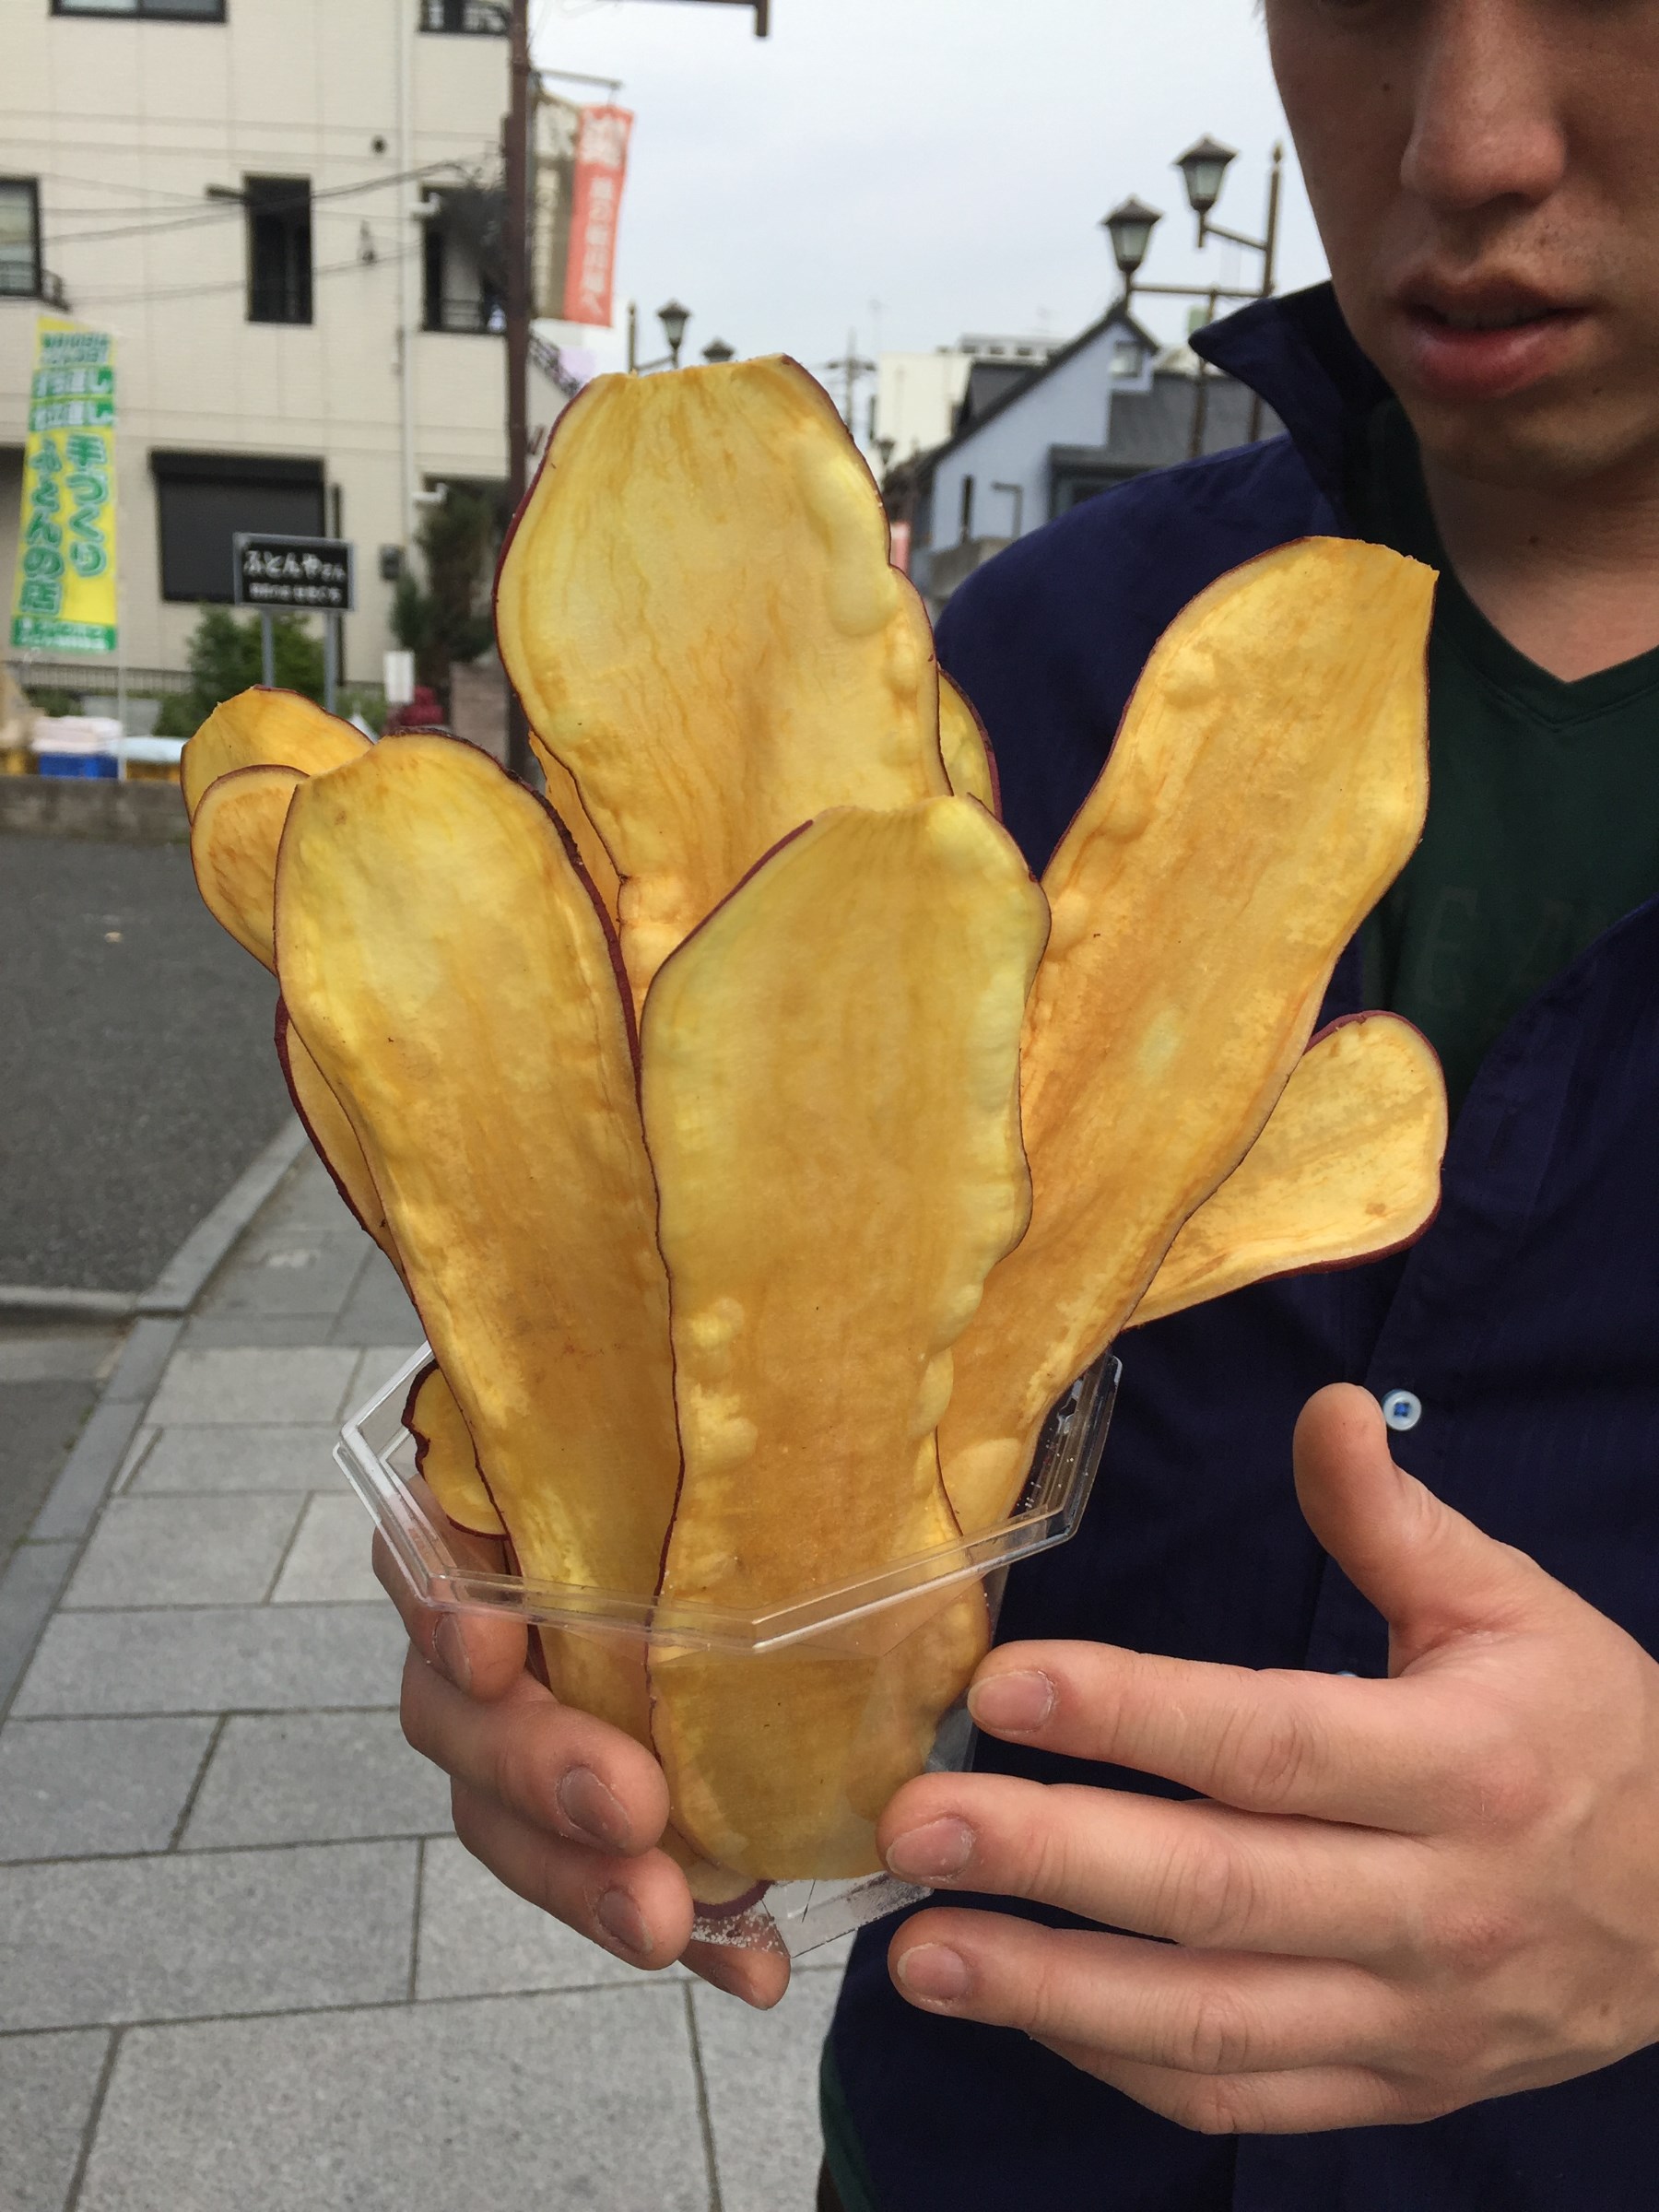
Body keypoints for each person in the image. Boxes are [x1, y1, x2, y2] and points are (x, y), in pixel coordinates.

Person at [379, 1, 1659, 2203]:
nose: (1466, 141)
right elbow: (750, 1356)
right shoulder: (1019, 678)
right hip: (977, 2142)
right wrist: (574, 1625)